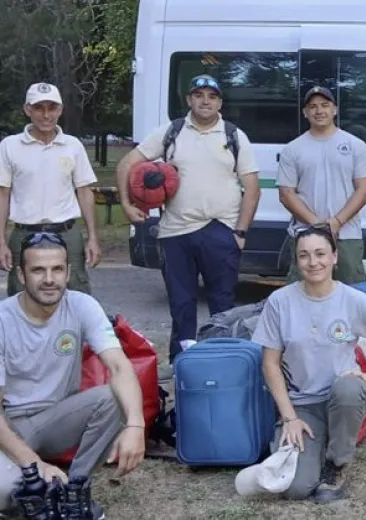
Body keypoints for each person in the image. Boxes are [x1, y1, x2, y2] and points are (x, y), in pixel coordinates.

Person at [251, 224, 366, 503]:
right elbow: (270, 364)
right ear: (296, 260)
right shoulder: (279, 302)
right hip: (302, 405)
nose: (313, 262)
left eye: (320, 253)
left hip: (343, 397)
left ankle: (337, 464)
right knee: (294, 489)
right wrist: (290, 418)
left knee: (348, 389)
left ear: (335, 257)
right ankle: (322, 441)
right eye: (304, 255)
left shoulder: (353, 300)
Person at [115, 74, 261, 363]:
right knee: (181, 305)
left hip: (221, 230)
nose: (205, 101)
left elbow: (253, 189)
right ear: (189, 99)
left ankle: (222, 363)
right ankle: (182, 364)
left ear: (220, 102)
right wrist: (126, 204)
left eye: (212, 96)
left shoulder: (233, 135)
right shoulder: (171, 132)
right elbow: (126, 164)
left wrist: (240, 233)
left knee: (222, 307)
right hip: (176, 232)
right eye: (199, 95)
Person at [0, 232, 146, 518]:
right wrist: (34, 463)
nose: (49, 279)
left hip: (55, 417)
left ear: (68, 272)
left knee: (113, 397)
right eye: (38, 270)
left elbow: (119, 366)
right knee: (8, 492)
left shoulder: (82, 305)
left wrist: (136, 425)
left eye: (57, 269)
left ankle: (74, 489)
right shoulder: (3, 320)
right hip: (8, 424)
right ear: (21, 274)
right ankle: (36, 482)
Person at [0, 82, 102, 297]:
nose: (46, 115)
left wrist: (92, 238)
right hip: (24, 232)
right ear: (27, 110)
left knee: (76, 295)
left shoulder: (73, 146)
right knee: (22, 297)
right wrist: (1, 241)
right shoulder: (10, 146)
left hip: (67, 233)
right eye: (38, 108)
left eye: (52, 108)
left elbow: (84, 191)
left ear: (60, 110)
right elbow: (3, 195)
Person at [276, 85, 366, 285]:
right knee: (302, 294)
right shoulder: (293, 149)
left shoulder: (356, 145)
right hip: (305, 234)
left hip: (347, 235)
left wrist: (337, 222)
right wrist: (317, 225)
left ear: (335, 109)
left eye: (324, 105)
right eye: (312, 107)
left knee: (351, 293)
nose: (319, 111)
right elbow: (286, 194)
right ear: (305, 113)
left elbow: (364, 189)